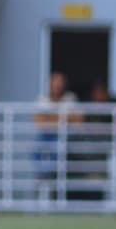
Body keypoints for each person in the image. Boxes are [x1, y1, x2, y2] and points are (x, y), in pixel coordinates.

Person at [34, 72, 78, 201]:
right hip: (45, 141)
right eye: (55, 82)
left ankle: (60, 199)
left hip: (65, 141)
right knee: (43, 154)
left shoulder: (70, 98)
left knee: (61, 150)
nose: (58, 86)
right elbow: (40, 122)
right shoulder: (42, 99)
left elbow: (78, 119)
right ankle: (41, 198)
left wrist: (50, 117)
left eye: (60, 83)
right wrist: (64, 118)